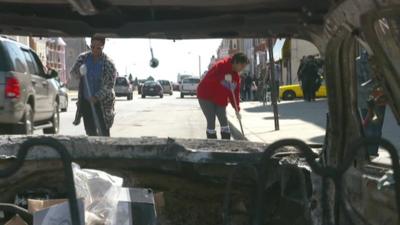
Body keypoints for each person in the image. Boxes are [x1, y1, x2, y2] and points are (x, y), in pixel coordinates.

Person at [71, 35, 117, 136]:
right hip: (86, 102)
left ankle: (105, 150)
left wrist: (97, 97)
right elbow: (73, 73)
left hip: (102, 104)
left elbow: (109, 85)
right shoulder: (83, 58)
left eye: (98, 48)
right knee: (90, 132)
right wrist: (79, 71)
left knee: (103, 131)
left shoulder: (109, 64)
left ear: (103, 47)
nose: (95, 50)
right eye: (92, 47)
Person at [197, 52, 249, 139]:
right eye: (242, 66)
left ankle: (226, 145)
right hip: (206, 96)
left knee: (224, 120)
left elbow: (234, 94)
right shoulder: (220, 65)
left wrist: (237, 109)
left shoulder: (236, 77)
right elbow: (208, 80)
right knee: (211, 120)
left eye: (244, 67)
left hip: (220, 98)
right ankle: (213, 145)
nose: (242, 69)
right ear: (236, 62)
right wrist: (222, 77)